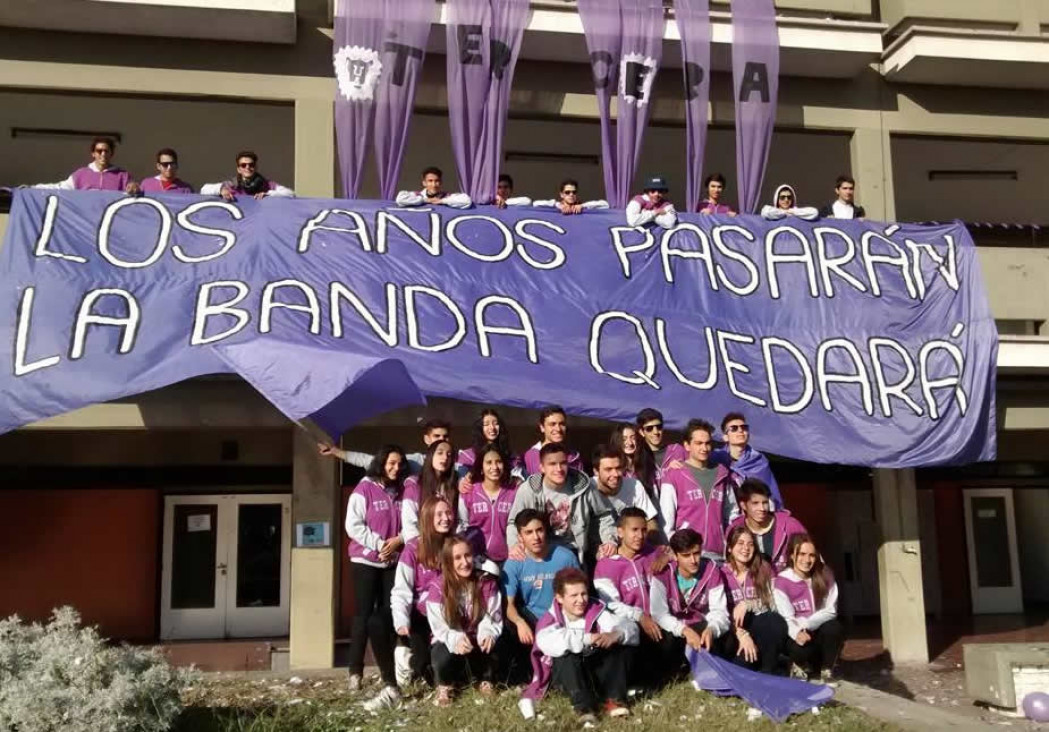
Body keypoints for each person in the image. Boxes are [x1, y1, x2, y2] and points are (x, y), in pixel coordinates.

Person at [344, 445, 408, 709]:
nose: (395, 468)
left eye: (399, 464)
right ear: (381, 463)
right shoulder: (364, 488)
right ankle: (355, 672)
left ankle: (390, 675)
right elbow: (353, 525)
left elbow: (411, 524)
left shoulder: (404, 490)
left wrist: (397, 543)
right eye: (391, 463)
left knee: (388, 617)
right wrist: (379, 544)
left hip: (393, 562)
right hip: (366, 561)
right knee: (363, 616)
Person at [535, 567, 638, 722]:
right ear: (560, 598)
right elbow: (550, 642)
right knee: (566, 654)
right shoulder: (549, 620)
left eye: (583, 594)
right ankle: (584, 708)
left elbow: (629, 626)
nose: (581, 600)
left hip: (595, 670)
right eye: (574, 595)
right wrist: (587, 639)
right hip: (567, 677)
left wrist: (615, 634)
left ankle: (614, 699)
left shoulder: (596, 610)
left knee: (619, 646)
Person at [593, 508, 675, 688]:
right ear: (620, 532)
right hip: (630, 623)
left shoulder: (651, 553)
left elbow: (675, 553)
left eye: (644, 530)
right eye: (634, 530)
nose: (640, 535)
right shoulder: (606, 564)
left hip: (657, 619)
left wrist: (668, 556)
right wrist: (639, 616)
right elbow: (610, 604)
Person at [502, 510, 581, 692]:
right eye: (528, 533)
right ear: (520, 537)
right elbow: (509, 606)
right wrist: (520, 622)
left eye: (539, 530)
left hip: (562, 618)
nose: (536, 537)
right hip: (532, 620)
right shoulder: (514, 563)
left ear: (546, 531)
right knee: (508, 627)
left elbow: (579, 595)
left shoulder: (565, 556)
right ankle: (523, 675)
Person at [426, 536, 503, 706]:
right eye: (457, 558)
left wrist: (487, 632)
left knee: (496, 642)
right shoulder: (438, 588)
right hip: (454, 644)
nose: (465, 562)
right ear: (448, 562)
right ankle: (444, 685)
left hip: (476, 641)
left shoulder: (485, 582)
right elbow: (440, 628)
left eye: (467, 555)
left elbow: (492, 616)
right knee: (441, 653)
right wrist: (456, 639)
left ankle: (486, 680)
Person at [507, 442, 616, 564]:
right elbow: (513, 522)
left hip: (576, 552)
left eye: (563, 463)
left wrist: (609, 540)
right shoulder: (529, 489)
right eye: (552, 464)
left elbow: (604, 515)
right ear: (542, 467)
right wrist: (514, 544)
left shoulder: (584, 487)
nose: (558, 469)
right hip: (540, 553)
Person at [391, 496, 455, 685]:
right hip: (421, 615)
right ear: (427, 518)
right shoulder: (412, 549)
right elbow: (401, 590)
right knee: (422, 666)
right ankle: (406, 658)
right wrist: (402, 622)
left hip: (448, 614)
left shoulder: (455, 545)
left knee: (445, 670)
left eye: (448, 513)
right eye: (439, 514)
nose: (445, 518)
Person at [659, 419, 740, 561]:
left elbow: (732, 513)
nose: (704, 448)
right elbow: (665, 521)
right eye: (699, 443)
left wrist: (728, 542)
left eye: (708, 443)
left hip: (718, 555)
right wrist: (677, 549)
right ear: (687, 445)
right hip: (686, 555)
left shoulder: (722, 473)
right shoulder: (674, 475)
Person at [649, 528, 733, 664]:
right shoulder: (662, 574)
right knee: (663, 641)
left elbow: (720, 611)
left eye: (696, 553)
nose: (693, 560)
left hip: (701, 624)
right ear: (675, 556)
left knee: (726, 638)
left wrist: (712, 629)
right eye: (686, 555)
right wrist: (684, 630)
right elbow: (659, 614)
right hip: (675, 628)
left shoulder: (711, 571)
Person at [774, 533, 843, 684]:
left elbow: (831, 610)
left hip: (815, 629)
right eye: (802, 554)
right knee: (800, 647)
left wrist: (807, 624)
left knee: (834, 628)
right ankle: (799, 666)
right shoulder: (782, 581)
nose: (807, 560)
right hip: (796, 633)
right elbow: (786, 616)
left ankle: (826, 669)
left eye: (811, 555)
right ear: (792, 555)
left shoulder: (825, 575)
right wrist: (797, 632)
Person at [721, 525, 788, 675]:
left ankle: (768, 670)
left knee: (774, 620)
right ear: (730, 548)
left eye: (750, 544)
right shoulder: (720, 573)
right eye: (740, 543)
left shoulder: (764, 568)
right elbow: (718, 612)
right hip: (733, 633)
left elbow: (776, 604)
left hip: (759, 629)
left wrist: (749, 604)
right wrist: (741, 634)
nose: (746, 548)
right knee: (743, 670)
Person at [318, 419, 451, 476]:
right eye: (436, 436)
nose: (441, 440)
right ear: (427, 439)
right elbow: (371, 461)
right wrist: (336, 451)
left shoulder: (457, 465)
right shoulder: (415, 462)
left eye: (445, 437)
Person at [459, 442, 519, 565]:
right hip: (476, 561)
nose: (495, 467)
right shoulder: (469, 492)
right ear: (481, 467)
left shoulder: (514, 492)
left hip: (508, 560)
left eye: (498, 462)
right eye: (489, 462)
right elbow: (461, 527)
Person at [727, 478, 805, 571]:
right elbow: (729, 564)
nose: (762, 508)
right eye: (755, 503)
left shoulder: (790, 525)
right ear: (743, 505)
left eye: (765, 503)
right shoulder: (735, 528)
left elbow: (812, 555)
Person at [589, 444, 660, 545]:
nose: (615, 474)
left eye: (618, 468)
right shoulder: (588, 489)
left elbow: (650, 521)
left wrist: (649, 545)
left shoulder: (634, 485)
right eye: (608, 469)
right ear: (596, 471)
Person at [711, 412, 784, 509]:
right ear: (725, 437)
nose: (740, 430)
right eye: (734, 428)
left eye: (744, 427)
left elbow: (771, 495)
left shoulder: (758, 461)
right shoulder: (715, 458)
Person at [402, 439, 460, 542]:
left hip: (447, 547)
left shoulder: (454, 485)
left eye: (449, 455)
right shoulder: (414, 484)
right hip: (422, 546)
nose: (445, 457)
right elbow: (409, 522)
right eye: (440, 453)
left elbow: (459, 520)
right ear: (430, 456)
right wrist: (417, 546)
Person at [33, 136, 137, 193]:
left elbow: (133, 192)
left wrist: (134, 187)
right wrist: (33, 188)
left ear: (112, 153)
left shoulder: (122, 175)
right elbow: (60, 188)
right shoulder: (81, 174)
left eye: (106, 151)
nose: (103, 154)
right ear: (93, 153)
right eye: (99, 151)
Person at [457, 408, 521, 482]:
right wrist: (462, 482)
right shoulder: (467, 456)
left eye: (496, 423)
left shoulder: (511, 456)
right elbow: (460, 478)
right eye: (486, 424)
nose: (492, 428)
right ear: (480, 428)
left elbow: (519, 478)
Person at [200, 151, 294, 200]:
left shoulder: (267, 185)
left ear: (256, 167)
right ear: (238, 169)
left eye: (251, 165)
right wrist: (221, 190)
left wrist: (269, 194)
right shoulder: (231, 185)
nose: (247, 167)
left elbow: (290, 194)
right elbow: (204, 189)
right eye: (243, 165)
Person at [522, 405, 583, 476]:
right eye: (552, 424)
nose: (558, 429)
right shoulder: (533, 455)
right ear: (542, 427)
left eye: (562, 424)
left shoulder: (574, 457)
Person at [610, 423, 658, 506]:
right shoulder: (612, 469)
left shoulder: (648, 467)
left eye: (633, 438)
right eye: (624, 439)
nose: (629, 442)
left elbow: (655, 499)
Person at [396, 166, 472, 209]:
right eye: (430, 181)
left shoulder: (447, 197)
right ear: (424, 183)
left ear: (441, 182)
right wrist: (426, 200)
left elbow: (466, 201)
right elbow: (400, 199)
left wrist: (442, 201)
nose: (434, 184)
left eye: (437, 181)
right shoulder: (417, 195)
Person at [636, 407, 686, 473]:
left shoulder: (677, 450)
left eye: (659, 427)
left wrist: (685, 467)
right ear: (642, 432)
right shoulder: (637, 458)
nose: (655, 432)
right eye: (649, 428)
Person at [532, 178, 609, 214]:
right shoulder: (557, 206)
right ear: (562, 195)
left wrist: (582, 206)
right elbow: (536, 204)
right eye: (567, 192)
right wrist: (558, 205)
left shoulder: (581, 207)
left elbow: (605, 204)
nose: (571, 195)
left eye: (574, 192)